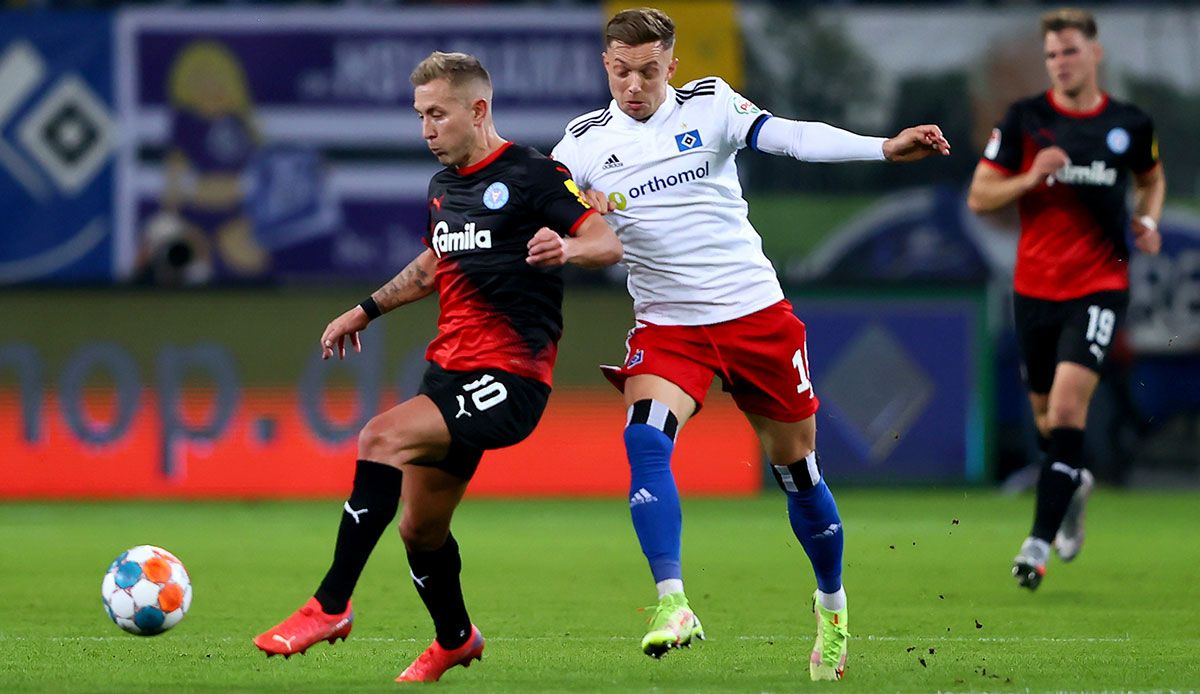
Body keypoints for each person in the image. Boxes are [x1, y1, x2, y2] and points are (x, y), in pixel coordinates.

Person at [550, 8, 949, 681]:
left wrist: (882, 147)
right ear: (606, 67)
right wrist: (565, 216)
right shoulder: (581, 145)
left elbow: (792, 137)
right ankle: (673, 603)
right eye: (622, 72)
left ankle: (832, 607)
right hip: (669, 327)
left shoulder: (710, 106)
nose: (635, 85)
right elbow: (543, 202)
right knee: (645, 438)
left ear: (672, 66)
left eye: (649, 71)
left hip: (754, 316)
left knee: (798, 470)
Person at [252, 51, 621, 683]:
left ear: (477, 110)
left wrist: (566, 247)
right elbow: (433, 264)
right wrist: (365, 310)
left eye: (437, 114)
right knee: (420, 531)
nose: (426, 128)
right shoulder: (442, 188)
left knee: (380, 437)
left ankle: (329, 606)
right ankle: (455, 639)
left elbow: (605, 240)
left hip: (511, 378)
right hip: (448, 372)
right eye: (420, 115)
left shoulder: (533, 173)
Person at [966, 8, 1164, 591]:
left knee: (1070, 409)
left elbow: (1151, 178)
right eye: (1052, 54)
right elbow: (980, 195)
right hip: (1035, 290)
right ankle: (1072, 484)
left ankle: (1036, 544)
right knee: (1047, 420)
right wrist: (1029, 177)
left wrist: (1148, 219)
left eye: (1070, 51)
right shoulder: (1026, 120)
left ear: (1095, 54)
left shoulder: (1129, 123)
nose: (1060, 62)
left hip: (1100, 286)